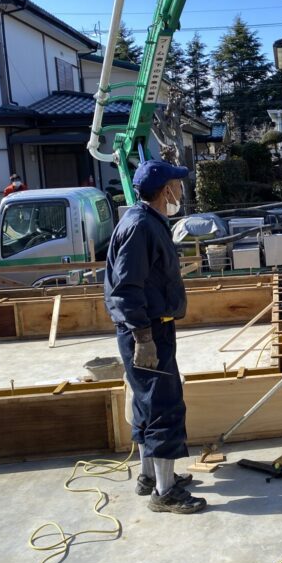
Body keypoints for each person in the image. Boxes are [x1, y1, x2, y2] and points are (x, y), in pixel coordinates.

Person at [104, 159, 204, 514]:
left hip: (150, 327)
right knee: (164, 404)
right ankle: (165, 491)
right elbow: (126, 288)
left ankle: (149, 475)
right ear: (165, 191)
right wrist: (144, 338)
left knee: (147, 402)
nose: (180, 192)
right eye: (176, 186)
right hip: (146, 331)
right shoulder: (140, 228)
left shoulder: (145, 222)